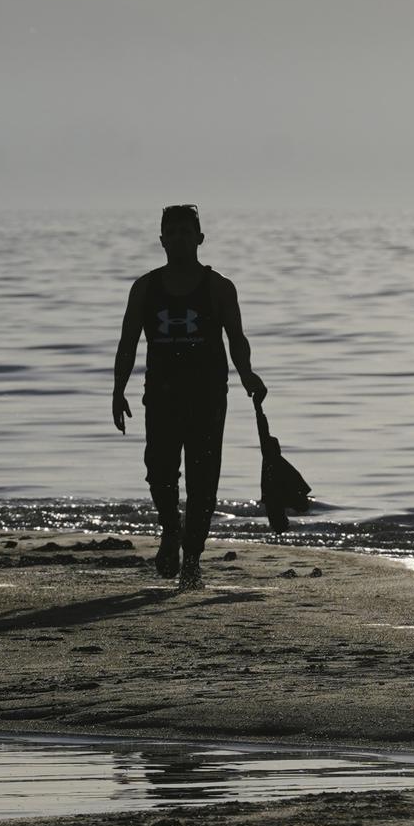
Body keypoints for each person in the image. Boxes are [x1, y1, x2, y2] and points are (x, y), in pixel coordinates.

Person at [113, 204, 266, 589]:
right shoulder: (145, 288)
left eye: (186, 231)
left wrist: (247, 374)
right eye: (172, 232)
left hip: (208, 397)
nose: (179, 238)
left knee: (203, 479)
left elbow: (237, 339)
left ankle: (192, 558)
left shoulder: (218, 288)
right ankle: (170, 531)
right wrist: (118, 390)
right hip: (161, 395)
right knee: (159, 471)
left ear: (200, 238)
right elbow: (128, 343)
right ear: (161, 240)